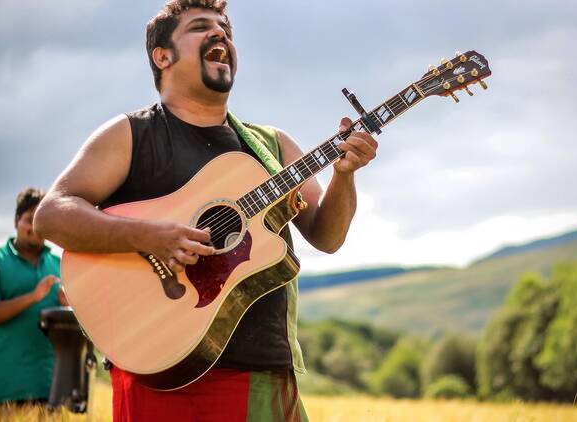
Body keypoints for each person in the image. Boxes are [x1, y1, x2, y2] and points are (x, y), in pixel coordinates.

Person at [34, 0, 378, 420]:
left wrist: (345, 175)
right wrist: (149, 236)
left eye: (227, 31)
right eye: (202, 27)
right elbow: (51, 214)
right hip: (154, 364)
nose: (221, 35)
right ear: (162, 55)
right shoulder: (132, 134)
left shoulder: (273, 147)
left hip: (263, 370)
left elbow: (328, 236)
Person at [0, 187, 68, 409]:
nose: (34, 227)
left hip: (49, 388)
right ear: (16, 221)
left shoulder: (61, 265)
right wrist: (34, 297)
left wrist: (70, 306)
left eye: (41, 220)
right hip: (1, 389)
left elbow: (77, 326)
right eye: (28, 220)